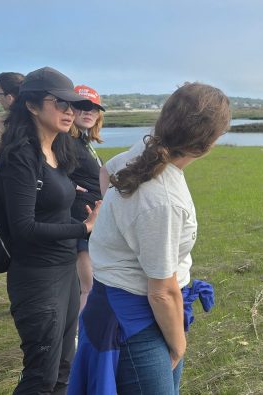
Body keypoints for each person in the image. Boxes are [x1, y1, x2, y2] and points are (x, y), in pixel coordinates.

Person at [70, 82, 230, 394]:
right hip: (133, 318)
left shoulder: (144, 153)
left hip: (129, 306)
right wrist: (179, 345)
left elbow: (108, 171)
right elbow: (162, 292)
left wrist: (117, 219)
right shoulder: (163, 200)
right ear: (206, 144)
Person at [0, 66, 100, 394]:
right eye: (59, 103)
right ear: (32, 106)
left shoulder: (57, 151)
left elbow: (50, 208)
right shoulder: (20, 156)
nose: (70, 111)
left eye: (73, 104)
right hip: (37, 280)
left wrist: (75, 199)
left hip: (64, 270)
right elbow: (23, 227)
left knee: (62, 370)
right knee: (40, 376)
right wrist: (82, 227)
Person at [68, 84, 106, 312]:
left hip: (92, 220)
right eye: (82, 106)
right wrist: (69, 184)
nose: (88, 112)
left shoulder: (82, 142)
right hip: (81, 220)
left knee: (90, 285)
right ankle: (82, 339)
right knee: (88, 286)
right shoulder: (65, 141)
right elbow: (47, 171)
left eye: (93, 108)